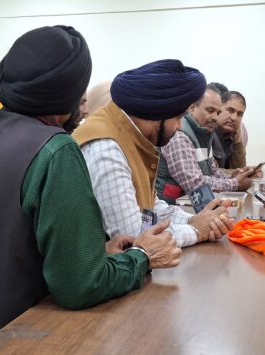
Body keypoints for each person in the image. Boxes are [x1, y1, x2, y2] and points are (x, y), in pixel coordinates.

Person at [0, 26, 182, 355]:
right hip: (30, 337)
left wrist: (95, 251)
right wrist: (142, 257)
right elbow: (81, 285)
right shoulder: (55, 150)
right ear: (71, 93)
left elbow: (10, 249)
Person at [74, 61, 234, 248]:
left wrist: (196, 220)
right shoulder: (106, 147)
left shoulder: (132, 137)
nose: (179, 126)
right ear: (158, 113)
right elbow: (133, 235)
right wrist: (197, 230)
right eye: (177, 117)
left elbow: (151, 208)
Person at [155, 84, 259, 204]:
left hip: (190, 204)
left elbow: (211, 170)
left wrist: (234, 176)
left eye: (218, 112)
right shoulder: (179, 135)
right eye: (210, 110)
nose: (215, 117)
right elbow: (194, 182)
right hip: (170, 208)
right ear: (192, 108)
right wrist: (235, 183)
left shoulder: (204, 134)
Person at [212, 90, 248, 169]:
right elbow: (209, 173)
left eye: (239, 114)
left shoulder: (233, 136)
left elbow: (239, 169)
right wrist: (238, 173)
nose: (234, 118)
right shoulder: (207, 131)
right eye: (230, 110)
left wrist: (238, 142)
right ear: (219, 109)